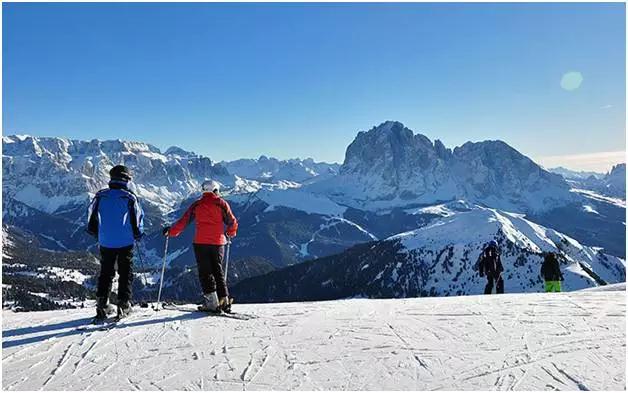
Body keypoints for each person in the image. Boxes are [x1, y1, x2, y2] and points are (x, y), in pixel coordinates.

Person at [163, 180, 238, 313]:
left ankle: (211, 302)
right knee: (218, 271)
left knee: (205, 272)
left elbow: (184, 221)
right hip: (218, 243)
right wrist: (230, 232)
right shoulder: (221, 204)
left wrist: (171, 232)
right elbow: (232, 221)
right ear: (215, 190)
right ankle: (224, 301)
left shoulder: (197, 204)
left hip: (201, 243)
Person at [87, 165, 144, 320]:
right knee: (125, 273)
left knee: (106, 272)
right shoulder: (129, 197)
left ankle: (102, 305)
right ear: (126, 179)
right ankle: (123, 305)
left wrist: (95, 232)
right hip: (125, 241)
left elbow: (91, 214)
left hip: (105, 241)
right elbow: (138, 218)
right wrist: (138, 233)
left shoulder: (100, 195)